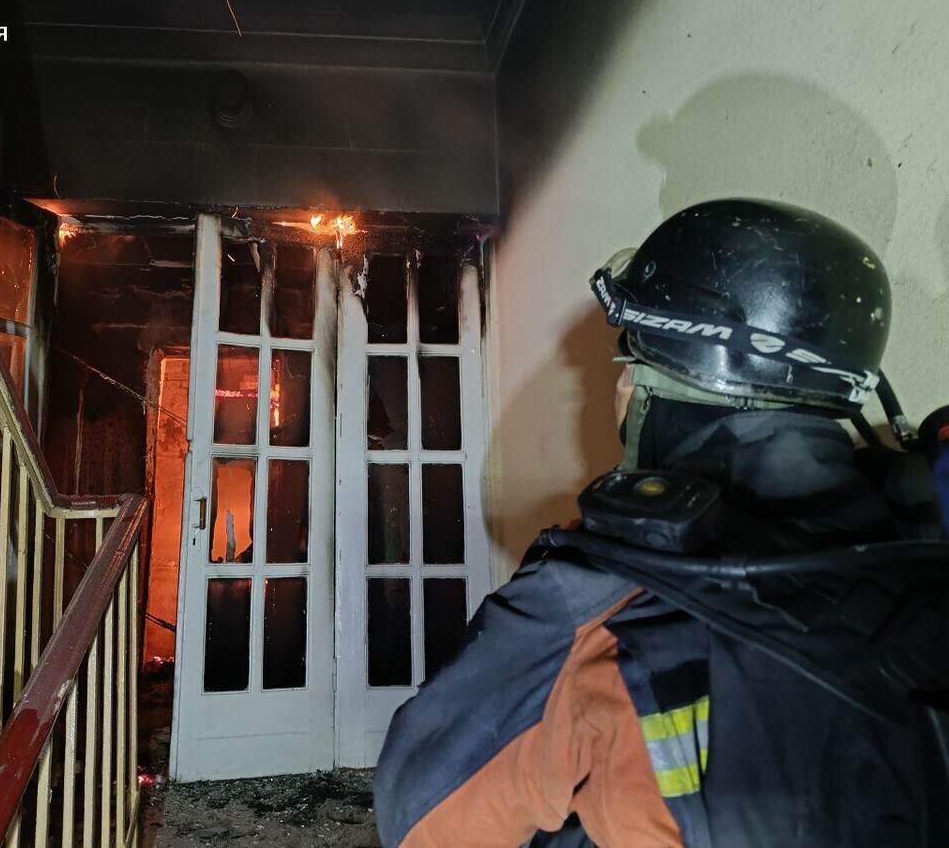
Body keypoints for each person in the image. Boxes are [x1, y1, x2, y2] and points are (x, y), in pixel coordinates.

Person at [373, 199, 948, 848]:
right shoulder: (919, 536)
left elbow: (415, 814)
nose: (618, 385)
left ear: (656, 387)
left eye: (629, 362)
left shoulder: (599, 602)